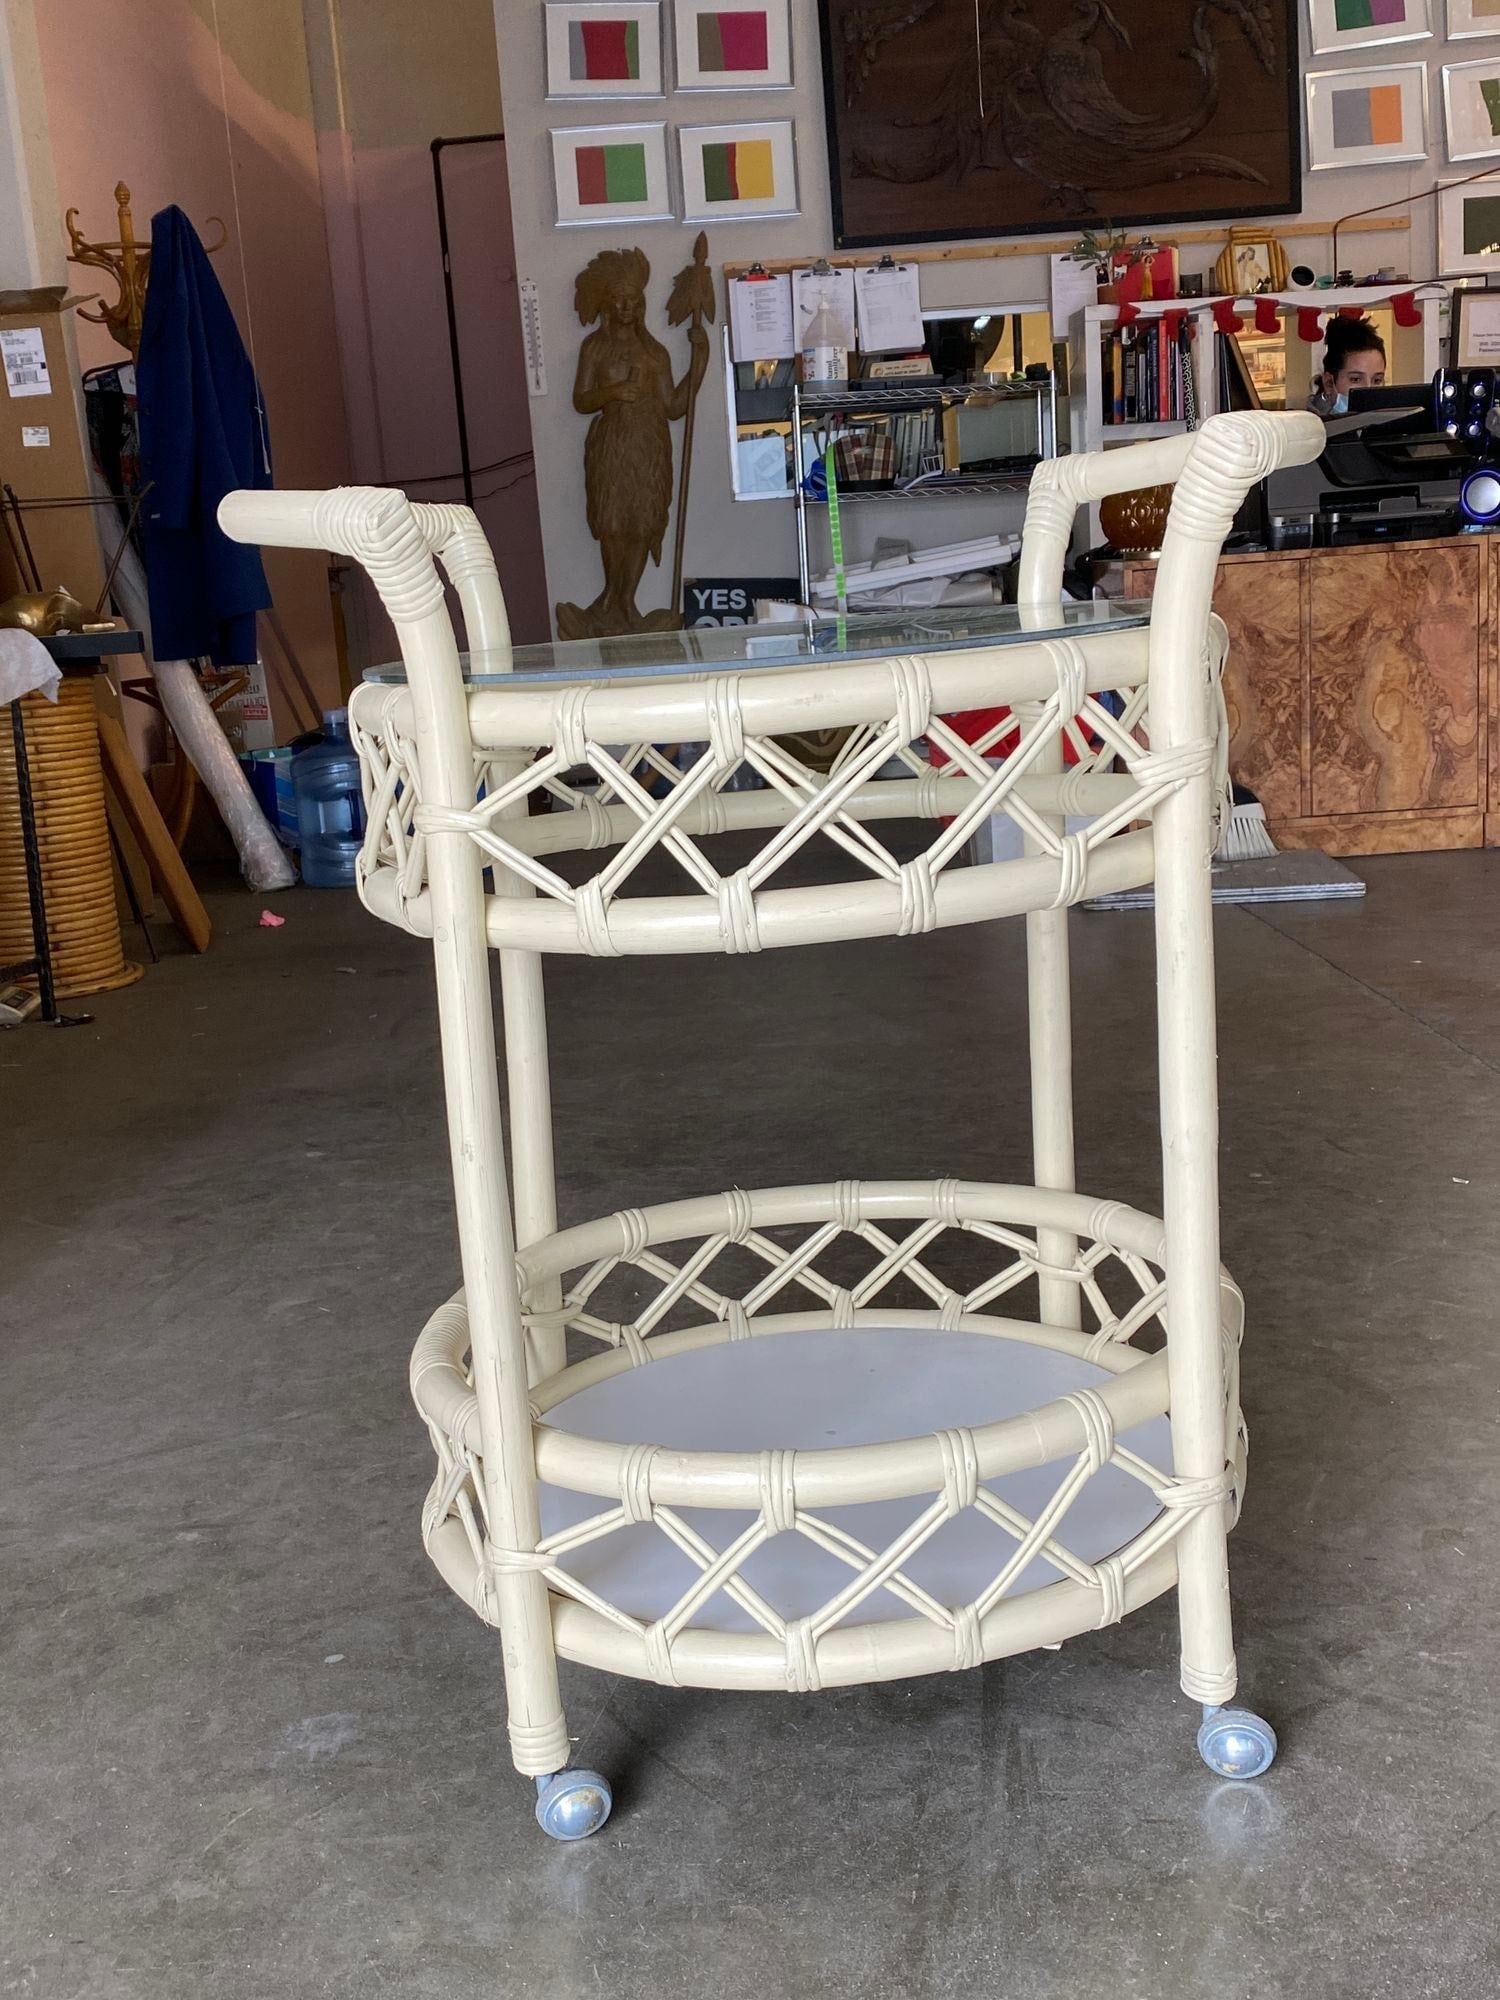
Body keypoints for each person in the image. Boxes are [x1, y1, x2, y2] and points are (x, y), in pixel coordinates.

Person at [1307, 317, 1386, 418]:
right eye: (1356, 379)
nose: (1368, 390)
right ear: (1329, 383)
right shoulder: (1308, 429)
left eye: (1377, 380)